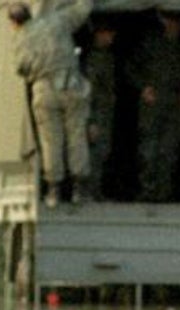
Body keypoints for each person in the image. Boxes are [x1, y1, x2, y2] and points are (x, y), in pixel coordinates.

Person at [8, 0, 93, 208]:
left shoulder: (19, 39)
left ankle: (53, 190)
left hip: (44, 90)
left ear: (14, 22)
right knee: (76, 135)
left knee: (50, 140)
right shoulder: (57, 21)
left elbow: (21, 68)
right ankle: (78, 189)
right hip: (70, 85)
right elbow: (83, 9)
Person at [126, 13, 180, 202]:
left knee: (169, 149)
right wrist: (143, 87)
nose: (175, 26)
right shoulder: (150, 43)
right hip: (153, 102)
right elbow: (131, 68)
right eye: (172, 21)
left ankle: (164, 192)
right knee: (148, 149)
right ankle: (147, 190)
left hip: (174, 103)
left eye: (177, 22)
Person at [83, 21, 118, 202]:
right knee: (94, 154)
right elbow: (89, 91)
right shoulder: (95, 59)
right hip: (97, 114)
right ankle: (88, 191)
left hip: (104, 112)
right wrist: (91, 121)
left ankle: (95, 191)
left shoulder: (106, 57)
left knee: (101, 153)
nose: (112, 38)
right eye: (109, 34)